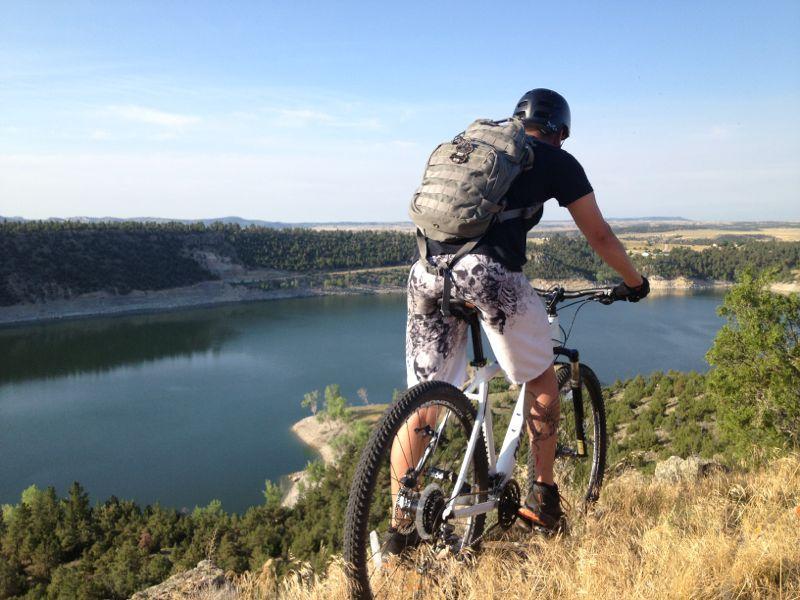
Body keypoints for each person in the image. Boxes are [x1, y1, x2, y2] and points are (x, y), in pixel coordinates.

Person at [390, 88, 649, 548]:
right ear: (560, 131)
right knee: (542, 378)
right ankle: (542, 499)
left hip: (425, 273)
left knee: (421, 405)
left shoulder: (472, 147)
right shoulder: (554, 160)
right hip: (488, 275)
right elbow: (601, 235)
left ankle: (399, 533)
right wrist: (635, 281)